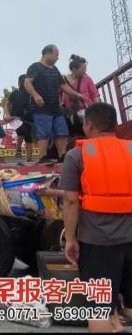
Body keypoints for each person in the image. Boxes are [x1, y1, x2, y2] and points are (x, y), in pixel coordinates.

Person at [59, 103, 132, 333]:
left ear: (89, 125)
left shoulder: (76, 155)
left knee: (99, 308)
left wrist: (70, 239)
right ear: (114, 125)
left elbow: (71, 201)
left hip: (97, 244)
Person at [24, 45, 86, 163]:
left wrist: (76, 94)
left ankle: (62, 156)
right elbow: (27, 83)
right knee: (44, 132)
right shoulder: (35, 67)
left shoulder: (55, 69)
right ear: (47, 53)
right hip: (41, 107)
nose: (57, 58)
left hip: (56, 108)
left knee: (61, 131)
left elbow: (63, 85)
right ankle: (43, 157)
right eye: (56, 55)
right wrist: (36, 95)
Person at [61, 54, 100, 140]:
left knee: (90, 133)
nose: (85, 71)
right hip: (71, 114)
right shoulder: (63, 81)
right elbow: (60, 97)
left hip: (87, 111)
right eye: (83, 69)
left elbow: (94, 94)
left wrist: (98, 109)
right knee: (75, 136)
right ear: (74, 69)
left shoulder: (87, 79)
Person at [6, 75, 34, 163]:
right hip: (15, 118)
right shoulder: (15, 93)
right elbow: (7, 104)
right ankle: (18, 150)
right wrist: (7, 114)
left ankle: (29, 158)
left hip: (27, 119)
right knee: (22, 130)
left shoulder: (31, 94)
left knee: (28, 136)